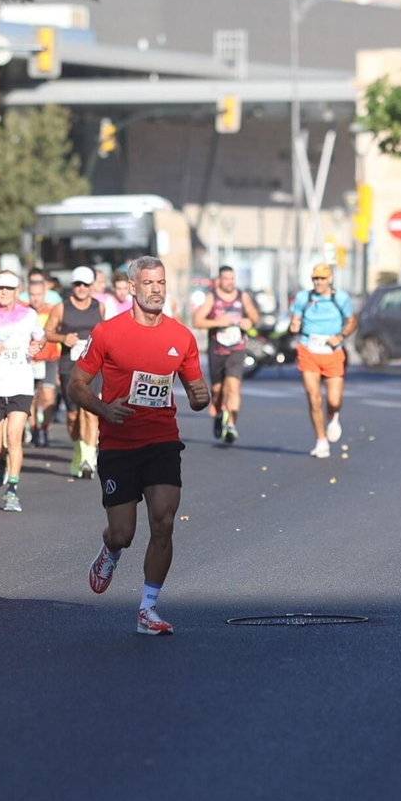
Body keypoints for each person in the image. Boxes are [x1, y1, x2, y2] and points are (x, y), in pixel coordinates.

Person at [69, 257, 210, 635]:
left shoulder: (182, 337)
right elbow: (76, 385)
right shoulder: (107, 333)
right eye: (148, 283)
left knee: (163, 522)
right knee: (123, 533)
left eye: (161, 282)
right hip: (118, 444)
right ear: (132, 288)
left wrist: (202, 397)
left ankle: (148, 609)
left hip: (162, 440)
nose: (156, 289)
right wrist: (102, 408)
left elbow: (198, 395)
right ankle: (110, 551)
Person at [0, 271, 46, 511]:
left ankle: (12, 491)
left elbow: (41, 338)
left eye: (8, 288)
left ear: (18, 291)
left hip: (20, 384)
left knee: (14, 437)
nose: (4, 293)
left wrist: (38, 345)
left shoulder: (29, 315)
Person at [289, 263, 356, 458]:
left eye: (323, 279)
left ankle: (333, 415)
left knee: (333, 400)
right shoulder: (304, 298)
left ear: (330, 279)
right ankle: (321, 440)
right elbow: (295, 320)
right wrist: (294, 325)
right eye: (316, 279)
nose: (319, 282)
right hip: (308, 349)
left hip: (333, 351)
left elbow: (352, 321)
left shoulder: (340, 298)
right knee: (314, 397)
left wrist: (341, 337)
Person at [44, 265, 105, 479]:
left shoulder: (100, 307)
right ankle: (79, 451)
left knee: (90, 411)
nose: (81, 288)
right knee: (72, 416)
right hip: (70, 366)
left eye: (85, 285)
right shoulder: (62, 308)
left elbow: (105, 333)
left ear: (91, 287)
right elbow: (47, 332)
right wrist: (62, 338)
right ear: (73, 285)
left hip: (94, 367)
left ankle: (90, 457)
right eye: (77, 284)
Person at [192, 265, 260, 444]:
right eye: (226, 279)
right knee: (217, 391)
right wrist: (217, 322)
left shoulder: (242, 296)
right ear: (219, 280)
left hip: (237, 349)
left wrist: (249, 321)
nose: (230, 282)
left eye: (232, 278)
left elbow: (254, 316)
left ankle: (231, 426)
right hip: (217, 348)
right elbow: (197, 321)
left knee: (233, 387)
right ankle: (219, 414)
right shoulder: (212, 297)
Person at [27, 270, 63, 448]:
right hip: (29, 360)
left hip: (50, 359)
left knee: (48, 397)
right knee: (32, 398)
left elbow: (59, 335)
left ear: (45, 294)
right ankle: (34, 428)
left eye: (39, 295)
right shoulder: (24, 311)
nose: (35, 299)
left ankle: (44, 429)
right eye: (32, 295)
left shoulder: (53, 310)